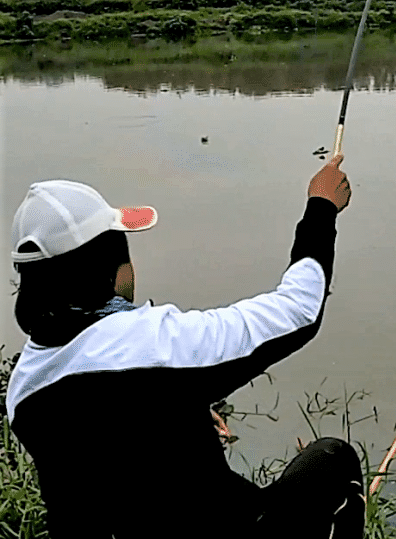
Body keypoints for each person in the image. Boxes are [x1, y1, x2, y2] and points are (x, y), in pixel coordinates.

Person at [6, 154, 365, 539]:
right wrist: (321, 206)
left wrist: (182, 412)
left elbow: (107, 418)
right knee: (332, 459)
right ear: (110, 271)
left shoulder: (24, 387)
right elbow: (298, 310)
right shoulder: (157, 344)